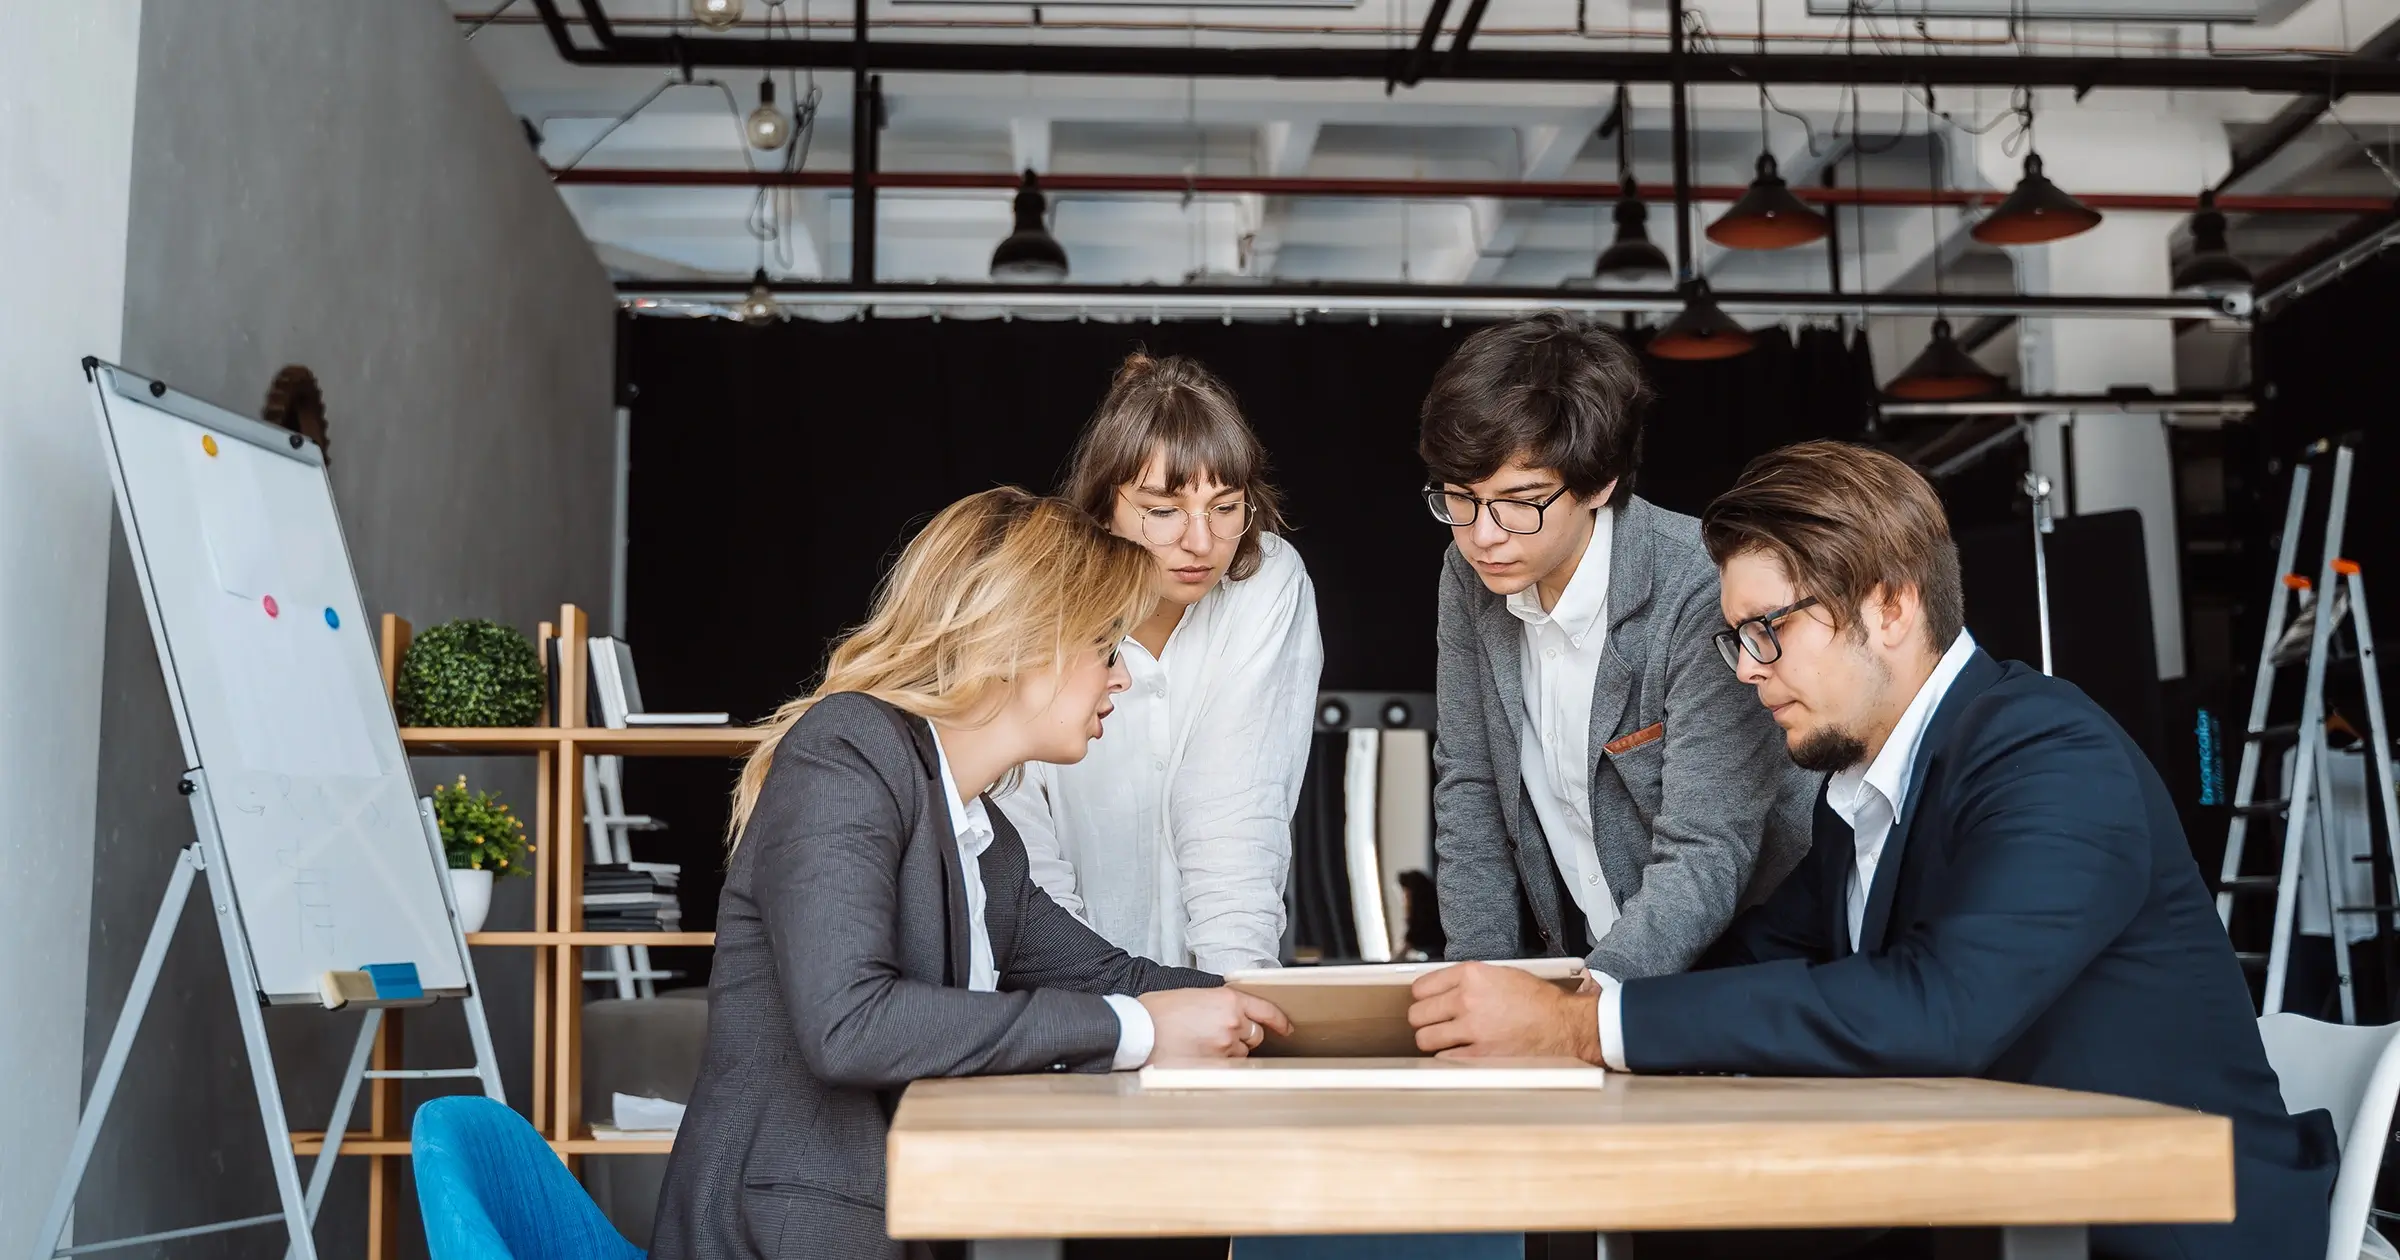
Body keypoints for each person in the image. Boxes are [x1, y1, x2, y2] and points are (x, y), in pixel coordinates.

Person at [1408, 441, 2337, 1260]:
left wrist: (1578, 1027)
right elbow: (1749, 963)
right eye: (1735, 639)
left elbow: (1940, 1009)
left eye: (1767, 631)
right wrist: (1573, 1016)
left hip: (2160, 1231)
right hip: (1990, 1210)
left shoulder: (2050, 754)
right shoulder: (1863, 800)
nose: (1746, 670)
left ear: (1889, 607)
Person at [652, 488, 1292, 1260]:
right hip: (795, 1238)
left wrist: (1332, 1023)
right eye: (1106, 646)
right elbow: (850, 1026)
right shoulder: (845, 752)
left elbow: (1111, 975)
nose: (1119, 679)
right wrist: (1142, 1029)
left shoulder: (982, 833)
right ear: (1031, 641)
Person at [1421, 313, 1814, 985]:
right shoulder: (1470, 577)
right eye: (1461, 498)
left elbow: (1707, 845)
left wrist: (1584, 1008)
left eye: (1521, 502)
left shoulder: (1700, 584)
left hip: (1756, 965)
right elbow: (1472, 792)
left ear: (1600, 483)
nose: (1483, 535)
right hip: (1598, 959)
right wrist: (1475, 985)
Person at [997, 352, 1323, 975]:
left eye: (1225, 507)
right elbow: (1023, 841)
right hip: (1060, 990)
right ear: (1105, 506)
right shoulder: (1041, 597)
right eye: (1164, 511)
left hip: (1213, 988)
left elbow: (1238, 806)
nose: (1200, 543)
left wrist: (1237, 997)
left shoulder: (1267, 581)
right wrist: (1103, 1001)